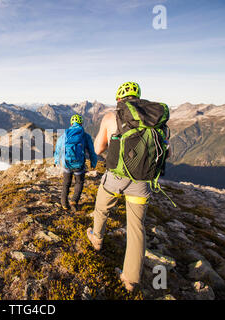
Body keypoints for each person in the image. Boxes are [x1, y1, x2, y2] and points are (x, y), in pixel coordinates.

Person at [87, 81, 171, 292]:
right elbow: (167, 153)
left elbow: (98, 149)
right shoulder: (157, 121)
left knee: (101, 208)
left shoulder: (111, 117)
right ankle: (131, 280)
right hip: (142, 182)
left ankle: (96, 239)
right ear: (139, 98)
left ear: (119, 99)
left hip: (115, 177)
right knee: (136, 229)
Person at [54, 114, 97, 212]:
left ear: (71, 123)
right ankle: (74, 201)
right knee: (79, 182)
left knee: (66, 184)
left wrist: (57, 160)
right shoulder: (85, 136)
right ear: (81, 123)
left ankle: (64, 204)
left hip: (67, 164)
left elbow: (58, 149)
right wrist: (93, 163)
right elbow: (91, 150)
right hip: (79, 165)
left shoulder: (64, 135)